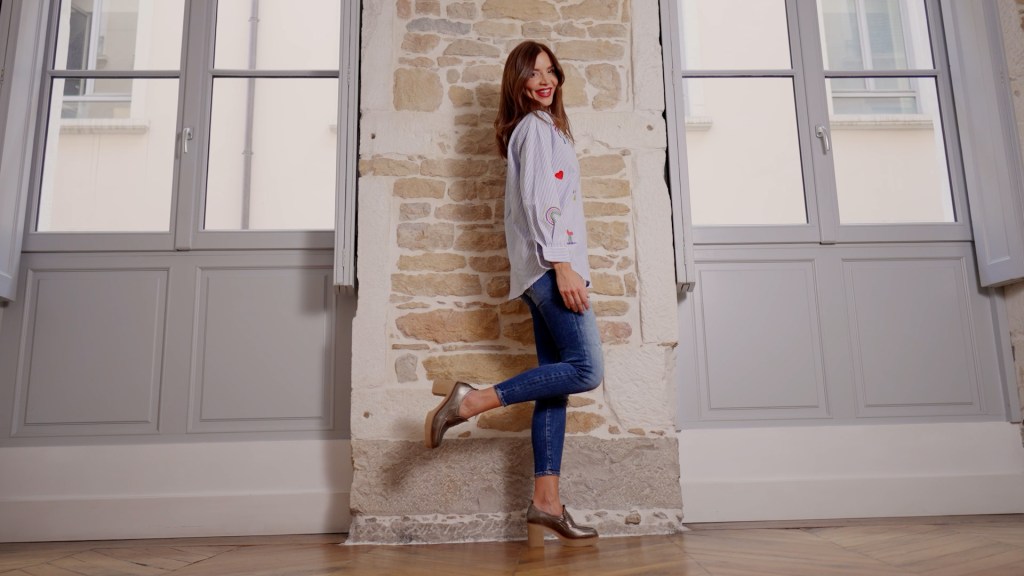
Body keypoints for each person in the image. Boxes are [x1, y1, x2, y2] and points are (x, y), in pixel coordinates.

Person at [424, 40, 604, 548]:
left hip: (541, 271)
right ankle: (471, 400)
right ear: (517, 81)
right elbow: (541, 204)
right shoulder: (535, 130)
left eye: (551, 71)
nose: (545, 80)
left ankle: (546, 503)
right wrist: (564, 267)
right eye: (534, 72)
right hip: (552, 270)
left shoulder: (544, 129)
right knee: (587, 370)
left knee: (556, 387)